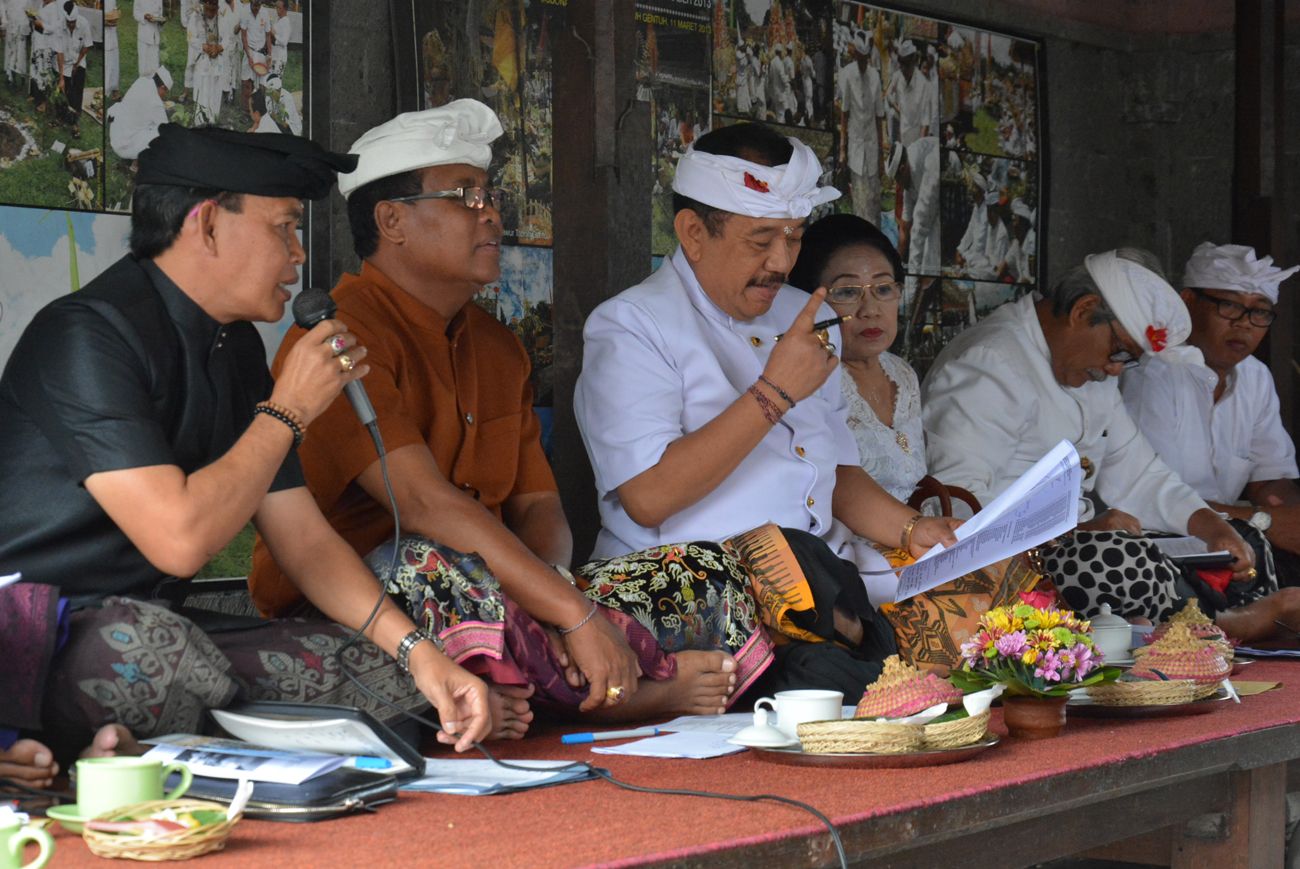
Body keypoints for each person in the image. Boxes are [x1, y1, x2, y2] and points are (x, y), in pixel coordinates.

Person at [249, 100, 759, 729]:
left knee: (706, 567)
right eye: (464, 195)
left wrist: (554, 600)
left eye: (490, 195)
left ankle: (543, 685)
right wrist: (573, 616)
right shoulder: (338, 340)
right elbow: (427, 507)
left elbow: (538, 508)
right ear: (392, 220)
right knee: (422, 561)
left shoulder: (498, 346)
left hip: (504, 595)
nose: (490, 212)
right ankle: (622, 693)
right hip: (371, 614)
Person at [0, 124, 491, 762]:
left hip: (161, 630)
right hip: (37, 629)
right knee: (159, 659)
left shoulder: (231, 349)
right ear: (206, 225)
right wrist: (288, 409)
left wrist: (421, 656)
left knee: (378, 673)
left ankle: (158, 745)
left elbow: (306, 541)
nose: (298, 255)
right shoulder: (87, 336)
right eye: (282, 228)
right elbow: (179, 542)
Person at [575, 123, 961, 693]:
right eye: (760, 241)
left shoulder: (804, 312)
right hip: (702, 598)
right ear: (692, 233)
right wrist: (774, 393)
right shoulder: (634, 325)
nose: (782, 261)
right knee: (837, 673)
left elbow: (834, 472)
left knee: (986, 614)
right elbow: (647, 496)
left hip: (828, 584)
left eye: (795, 236)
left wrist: (912, 528)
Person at [922, 248, 1300, 641]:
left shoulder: (1091, 373)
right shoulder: (990, 362)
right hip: (1013, 562)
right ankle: (1226, 626)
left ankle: (1219, 626)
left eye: (1127, 360)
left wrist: (1212, 527)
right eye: (1119, 351)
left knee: (1242, 537)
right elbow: (959, 506)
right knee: (1115, 558)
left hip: (1075, 545)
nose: (1116, 369)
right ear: (1083, 311)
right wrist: (1078, 532)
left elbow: (1138, 471)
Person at [1122, 243, 1300, 586]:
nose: (1245, 324)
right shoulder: (1153, 375)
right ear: (1187, 301)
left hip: (1231, 543)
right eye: (1230, 307)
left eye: (1259, 312)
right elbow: (1155, 498)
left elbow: (1269, 479)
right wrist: (1268, 521)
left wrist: (1290, 516)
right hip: (1155, 548)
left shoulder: (1255, 376)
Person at [836, 30, 885, 223]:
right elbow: (844, 113)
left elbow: (879, 117)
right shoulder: (847, 74)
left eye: (866, 58)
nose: (864, 62)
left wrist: (881, 155)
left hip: (872, 146)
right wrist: (842, 149)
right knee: (860, 199)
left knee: (873, 199)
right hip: (855, 146)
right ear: (855, 55)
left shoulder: (875, 77)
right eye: (861, 58)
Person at [885, 134, 939, 281]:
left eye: (897, 179)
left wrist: (914, 271)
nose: (898, 185)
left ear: (902, 169)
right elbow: (905, 227)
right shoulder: (908, 180)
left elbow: (921, 224)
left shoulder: (923, 164)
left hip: (940, 188)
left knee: (930, 241)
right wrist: (896, 262)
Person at [107, 67, 170, 162]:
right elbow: (165, 127)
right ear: (162, 87)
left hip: (116, 134)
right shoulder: (156, 103)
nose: (164, 95)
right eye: (166, 92)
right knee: (161, 135)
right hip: (126, 147)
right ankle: (137, 163)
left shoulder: (141, 81)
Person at [52, 1, 89, 135]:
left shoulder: (84, 23)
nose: (71, 25)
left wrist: (77, 63)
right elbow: (59, 53)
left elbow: (86, 46)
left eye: (73, 22)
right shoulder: (59, 26)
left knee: (77, 92)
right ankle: (60, 117)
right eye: (69, 22)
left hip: (78, 60)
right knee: (62, 92)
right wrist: (61, 77)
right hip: (63, 63)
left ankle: (74, 123)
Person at [187, 0, 223, 125]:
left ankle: (212, 120)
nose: (212, 8)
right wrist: (203, 47)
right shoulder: (196, 15)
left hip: (217, 60)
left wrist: (219, 47)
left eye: (215, 5)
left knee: (214, 89)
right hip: (201, 59)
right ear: (205, 3)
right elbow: (191, 37)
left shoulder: (221, 16)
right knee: (201, 89)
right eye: (210, 3)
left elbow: (228, 37)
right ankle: (199, 121)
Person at [239, 0, 272, 114]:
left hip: (261, 52)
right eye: (254, 6)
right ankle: (245, 110)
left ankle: (258, 111)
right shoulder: (244, 12)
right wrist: (249, 55)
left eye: (258, 6)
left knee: (261, 85)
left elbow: (268, 36)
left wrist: (269, 55)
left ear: (261, 4)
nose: (256, 8)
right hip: (249, 50)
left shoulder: (265, 13)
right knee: (246, 82)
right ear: (251, 3)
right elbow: (243, 36)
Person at [1, 0, 32, 89]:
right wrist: (4, 22)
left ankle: (20, 76)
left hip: (21, 26)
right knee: (10, 51)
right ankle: (10, 77)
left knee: (20, 52)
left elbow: (30, 10)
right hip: (11, 25)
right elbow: (3, 5)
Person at [133, 0, 162, 78]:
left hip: (155, 35)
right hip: (144, 34)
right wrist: (144, 16)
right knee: (143, 64)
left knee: (155, 63)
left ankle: (153, 85)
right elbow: (135, 13)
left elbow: (160, 14)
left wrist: (161, 21)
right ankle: (142, 84)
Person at [102, 0, 119, 99]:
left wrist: (115, 15)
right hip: (106, 33)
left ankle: (115, 89)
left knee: (114, 62)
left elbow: (115, 11)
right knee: (107, 63)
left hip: (113, 33)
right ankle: (106, 90)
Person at [269, 0, 290, 76]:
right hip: (274, 55)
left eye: (279, 7)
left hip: (280, 57)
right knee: (271, 81)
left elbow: (284, 41)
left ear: (284, 8)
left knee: (276, 81)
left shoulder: (286, 22)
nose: (276, 9)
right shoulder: (278, 20)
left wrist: (273, 34)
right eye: (276, 7)